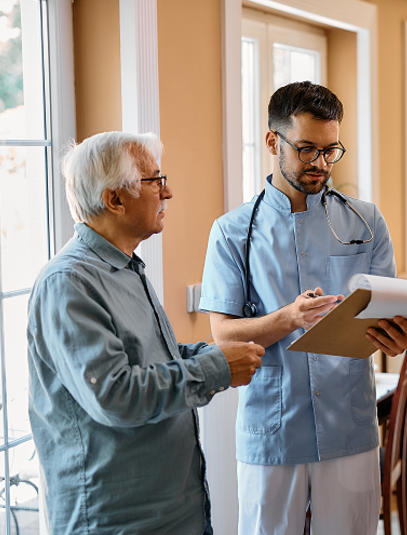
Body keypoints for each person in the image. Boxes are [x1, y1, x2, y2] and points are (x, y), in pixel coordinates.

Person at [199, 81, 407, 535]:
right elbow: (222, 335)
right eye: (306, 150)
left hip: (350, 428)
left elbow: (385, 317)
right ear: (272, 142)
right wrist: (288, 319)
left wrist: (398, 336)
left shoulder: (366, 222)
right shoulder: (232, 232)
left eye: (330, 150)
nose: (320, 163)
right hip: (272, 431)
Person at [27, 131, 265, 535]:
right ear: (115, 199)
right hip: (117, 519)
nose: (167, 192)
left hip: (174, 510)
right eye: (155, 181)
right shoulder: (68, 283)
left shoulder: (126, 268)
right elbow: (116, 395)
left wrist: (215, 353)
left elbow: (153, 359)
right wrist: (216, 369)